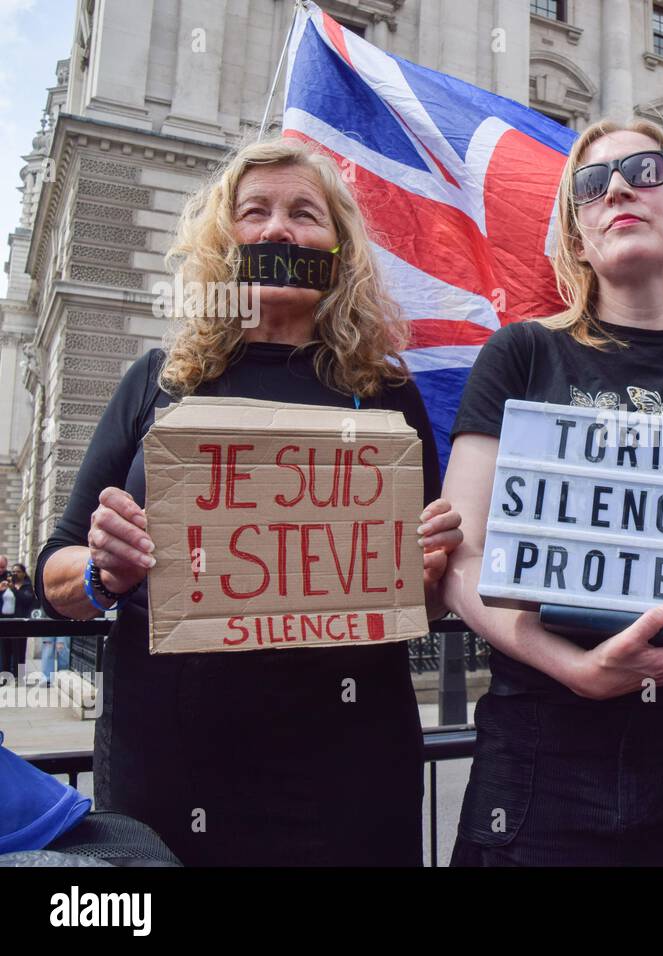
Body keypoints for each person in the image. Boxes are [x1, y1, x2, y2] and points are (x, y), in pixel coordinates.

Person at [35, 137, 463, 866]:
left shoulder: (388, 395)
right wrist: (103, 569)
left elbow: (425, 600)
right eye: (254, 211)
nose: (277, 229)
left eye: (305, 213)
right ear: (225, 244)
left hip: (348, 770)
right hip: (170, 763)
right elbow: (55, 575)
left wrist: (430, 576)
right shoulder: (157, 380)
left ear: (337, 250)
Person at [441, 119, 663, 866]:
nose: (617, 190)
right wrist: (570, 666)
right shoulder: (521, 353)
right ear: (576, 239)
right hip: (545, 749)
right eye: (590, 184)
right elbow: (461, 561)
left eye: (645, 170)